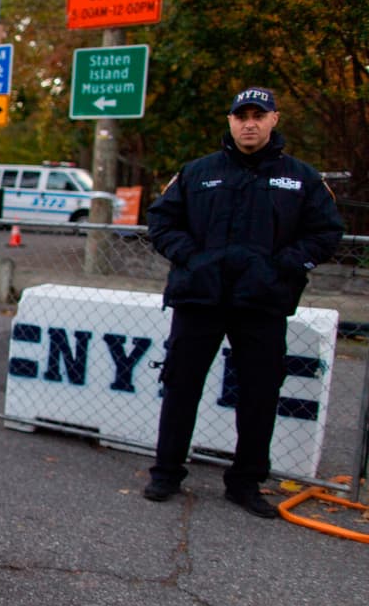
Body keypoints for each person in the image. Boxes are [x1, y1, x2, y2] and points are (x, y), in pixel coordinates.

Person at [143, 87, 343, 517]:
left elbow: (326, 233)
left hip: (262, 302)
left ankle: (246, 482)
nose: (249, 123)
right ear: (230, 121)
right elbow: (160, 221)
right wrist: (192, 258)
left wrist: (282, 266)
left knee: (259, 394)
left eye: (258, 115)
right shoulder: (197, 172)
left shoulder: (301, 178)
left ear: (274, 120)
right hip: (200, 298)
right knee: (180, 386)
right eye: (241, 116)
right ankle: (166, 473)